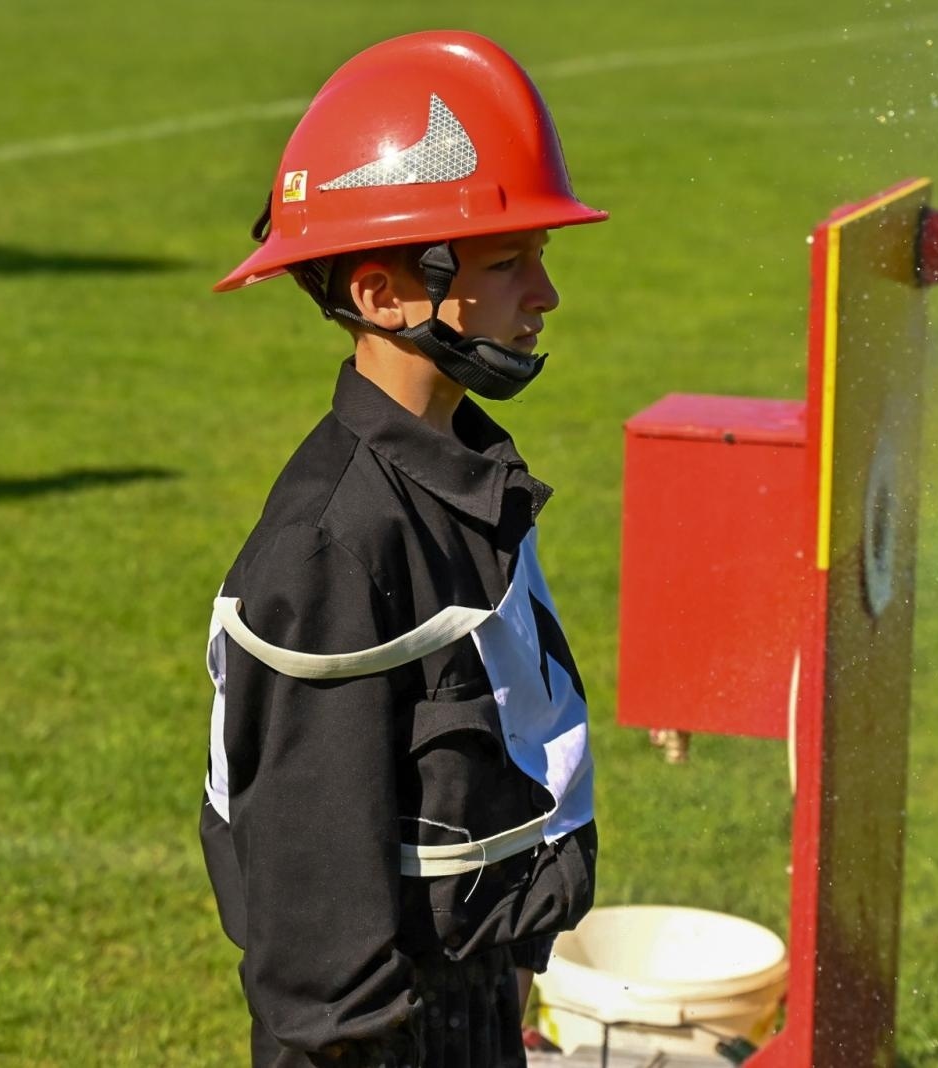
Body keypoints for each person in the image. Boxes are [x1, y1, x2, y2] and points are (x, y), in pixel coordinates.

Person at [198, 30, 606, 1068]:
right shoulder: (333, 549)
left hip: (471, 1003)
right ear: (384, 295)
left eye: (541, 258)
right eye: (508, 263)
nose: (545, 295)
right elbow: (310, 892)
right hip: (380, 1038)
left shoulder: (461, 477)